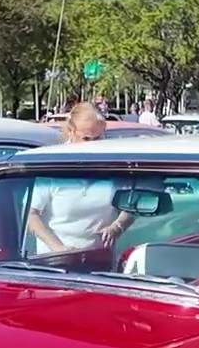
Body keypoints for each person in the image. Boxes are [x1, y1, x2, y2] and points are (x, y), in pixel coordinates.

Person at [25, 103, 131, 253]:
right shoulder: (51, 165)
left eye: (98, 138)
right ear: (71, 131)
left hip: (99, 257)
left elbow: (132, 205)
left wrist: (117, 226)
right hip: (55, 258)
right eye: (86, 138)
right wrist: (58, 248)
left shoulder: (113, 166)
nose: (92, 145)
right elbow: (31, 216)